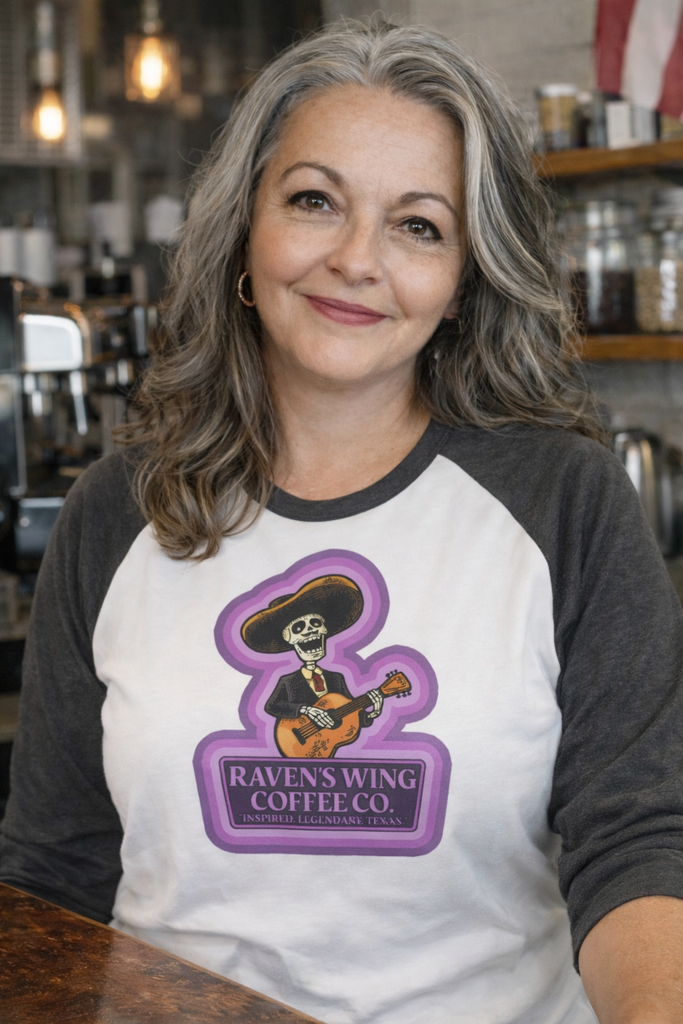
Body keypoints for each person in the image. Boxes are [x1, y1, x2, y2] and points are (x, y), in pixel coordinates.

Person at [2, 19, 683, 1024]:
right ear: (245, 229)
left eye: (418, 226)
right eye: (314, 201)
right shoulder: (117, 511)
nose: (357, 259)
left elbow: (636, 842)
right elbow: (52, 872)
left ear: (463, 282)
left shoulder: (565, 502)